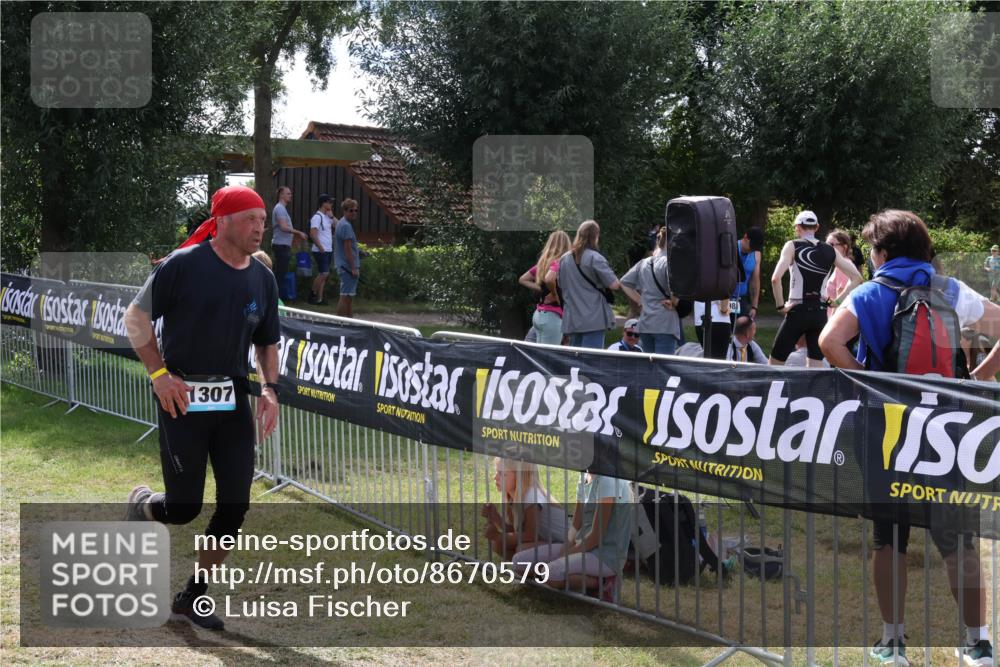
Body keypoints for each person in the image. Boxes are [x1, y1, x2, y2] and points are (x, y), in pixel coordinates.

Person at [819, 209, 999, 667]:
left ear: (880, 253)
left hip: (888, 431)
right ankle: (978, 644)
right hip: (947, 432)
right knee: (958, 540)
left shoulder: (869, 292)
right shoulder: (951, 290)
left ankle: (893, 642)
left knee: (889, 537)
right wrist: (976, 379)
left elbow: (828, 342)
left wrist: (869, 383)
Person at [123, 185, 281, 631]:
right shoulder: (183, 266)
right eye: (251, 220)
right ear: (225, 221)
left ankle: (192, 597)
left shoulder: (262, 279)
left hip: (231, 398)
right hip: (182, 396)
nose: (259, 229)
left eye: (264, 221)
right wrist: (159, 374)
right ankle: (143, 505)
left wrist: (270, 390)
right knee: (185, 507)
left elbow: (267, 341)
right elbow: (135, 318)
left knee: (235, 504)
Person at [513, 471, 634, 601]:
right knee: (518, 563)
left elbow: (596, 536)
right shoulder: (584, 476)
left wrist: (566, 554)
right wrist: (567, 544)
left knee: (549, 573)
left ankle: (604, 582)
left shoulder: (609, 480)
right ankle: (582, 576)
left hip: (606, 555)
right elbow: (576, 524)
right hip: (585, 546)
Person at [769, 210, 862, 368]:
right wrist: (837, 301)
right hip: (819, 313)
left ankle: (770, 393)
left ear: (797, 227)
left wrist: (780, 306)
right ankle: (814, 393)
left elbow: (775, 278)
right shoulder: (830, 250)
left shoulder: (792, 246)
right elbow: (857, 278)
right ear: (817, 227)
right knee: (815, 365)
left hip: (797, 310)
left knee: (774, 363)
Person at [481, 458, 568, 559]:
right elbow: (516, 532)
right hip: (549, 543)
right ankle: (529, 573)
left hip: (567, 545)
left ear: (519, 476)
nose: (495, 477)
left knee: (522, 550)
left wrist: (498, 536)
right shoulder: (513, 496)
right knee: (499, 544)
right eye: (496, 472)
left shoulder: (531, 496)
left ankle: (541, 573)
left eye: (502, 474)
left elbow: (530, 536)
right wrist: (496, 517)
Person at [557, 220, 621, 349]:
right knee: (591, 360)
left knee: (576, 361)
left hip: (573, 319)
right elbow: (614, 285)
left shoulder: (564, 259)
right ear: (596, 236)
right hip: (593, 318)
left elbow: (560, 285)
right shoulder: (595, 258)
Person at [619, 227, 682, 355]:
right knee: (664, 368)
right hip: (665, 322)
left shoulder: (643, 262)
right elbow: (675, 290)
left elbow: (624, 282)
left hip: (646, 322)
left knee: (650, 367)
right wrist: (674, 302)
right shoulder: (670, 263)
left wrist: (640, 299)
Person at [518, 230, 571, 345]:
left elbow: (523, 279)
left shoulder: (543, 263)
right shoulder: (561, 263)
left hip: (539, 314)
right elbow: (549, 279)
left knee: (538, 355)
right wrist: (554, 293)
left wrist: (542, 289)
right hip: (553, 317)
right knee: (548, 357)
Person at [270, 186, 308, 301]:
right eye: (288, 193)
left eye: (290, 194)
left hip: (283, 245)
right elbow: (283, 227)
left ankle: (275, 298)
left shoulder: (282, 208)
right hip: (280, 245)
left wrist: (294, 239)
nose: (290, 195)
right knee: (280, 274)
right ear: (281, 194)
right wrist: (298, 233)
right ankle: (276, 299)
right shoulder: (280, 208)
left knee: (280, 273)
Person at [334, 198, 361, 317]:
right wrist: (353, 267)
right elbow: (347, 248)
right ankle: (341, 322)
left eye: (356, 210)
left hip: (345, 265)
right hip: (347, 267)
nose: (354, 213)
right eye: (351, 210)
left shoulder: (342, 223)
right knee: (345, 295)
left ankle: (350, 321)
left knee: (349, 296)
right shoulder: (345, 226)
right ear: (345, 211)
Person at [308, 194, 335, 305]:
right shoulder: (317, 217)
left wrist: (332, 217)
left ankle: (320, 299)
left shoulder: (328, 216)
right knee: (324, 273)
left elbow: (338, 226)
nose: (331, 204)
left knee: (324, 274)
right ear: (323, 203)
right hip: (320, 250)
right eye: (329, 202)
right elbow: (312, 234)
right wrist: (321, 248)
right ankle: (312, 294)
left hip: (328, 250)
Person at [733, 227, 765, 319]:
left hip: (741, 298)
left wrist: (754, 306)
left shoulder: (756, 254)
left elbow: (755, 282)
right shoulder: (730, 247)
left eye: (755, 248)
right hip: (724, 298)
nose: (752, 249)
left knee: (742, 329)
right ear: (746, 237)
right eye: (752, 246)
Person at [825, 229, 856, 318]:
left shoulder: (843, 267)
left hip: (835, 318)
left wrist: (832, 321)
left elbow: (840, 300)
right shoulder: (845, 264)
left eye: (831, 245)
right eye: (826, 245)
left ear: (844, 247)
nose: (827, 248)